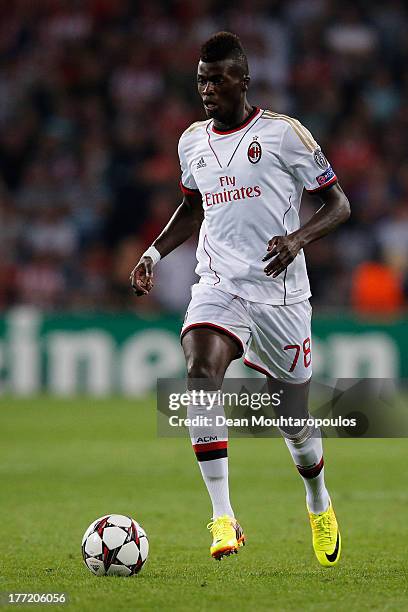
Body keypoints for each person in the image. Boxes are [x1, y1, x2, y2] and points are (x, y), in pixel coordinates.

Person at [130, 32, 350, 566]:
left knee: (293, 417)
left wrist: (297, 239)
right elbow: (192, 207)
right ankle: (223, 515)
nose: (207, 88)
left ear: (243, 81)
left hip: (281, 295)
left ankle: (318, 502)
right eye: (201, 79)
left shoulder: (283, 135)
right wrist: (154, 255)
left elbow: (339, 204)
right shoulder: (191, 143)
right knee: (199, 370)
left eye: (217, 78)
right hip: (219, 284)